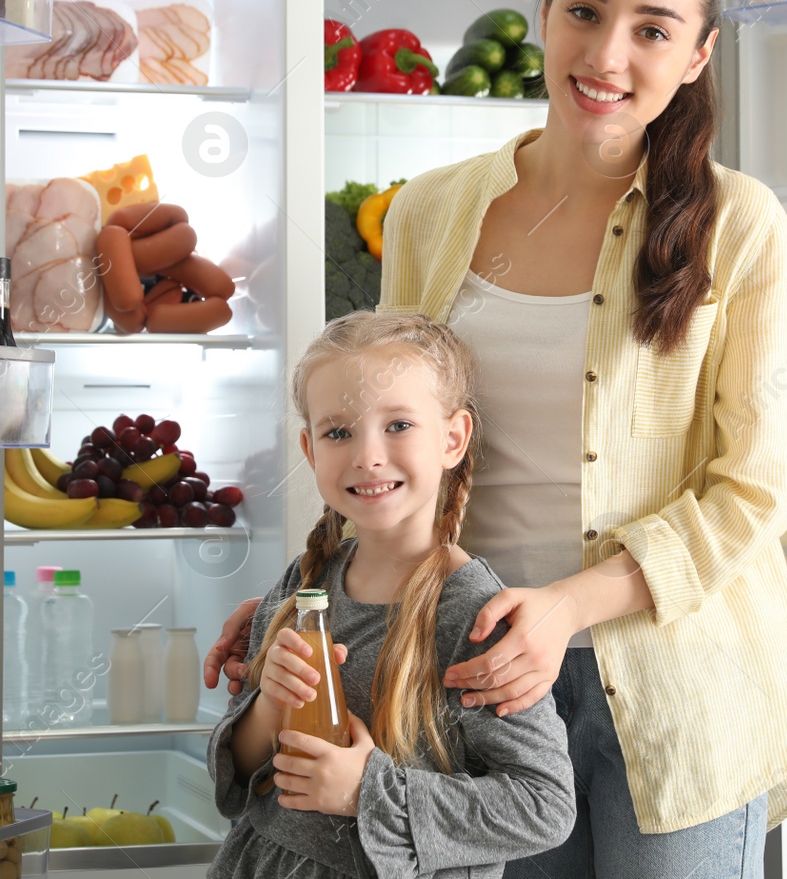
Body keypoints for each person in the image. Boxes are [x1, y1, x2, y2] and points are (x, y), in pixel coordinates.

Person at [208, 0, 787, 877]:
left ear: (699, 53)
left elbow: (750, 489)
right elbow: (389, 439)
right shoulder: (429, 211)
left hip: (680, 682)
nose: (606, 55)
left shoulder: (738, 224)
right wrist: (308, 590)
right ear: (544, 9)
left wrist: (566, 607)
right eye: (583, 10)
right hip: (467, 677)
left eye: (651, 29)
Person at [205, 310, 575, 879]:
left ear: (453, 438)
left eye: (398, 425)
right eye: (338, 432)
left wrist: (366, 792)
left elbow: (542, 807)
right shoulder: (304, 583)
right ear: (310, 450)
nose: (366, 455)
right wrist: (270, 704)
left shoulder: (473, 617)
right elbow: (242, 772)